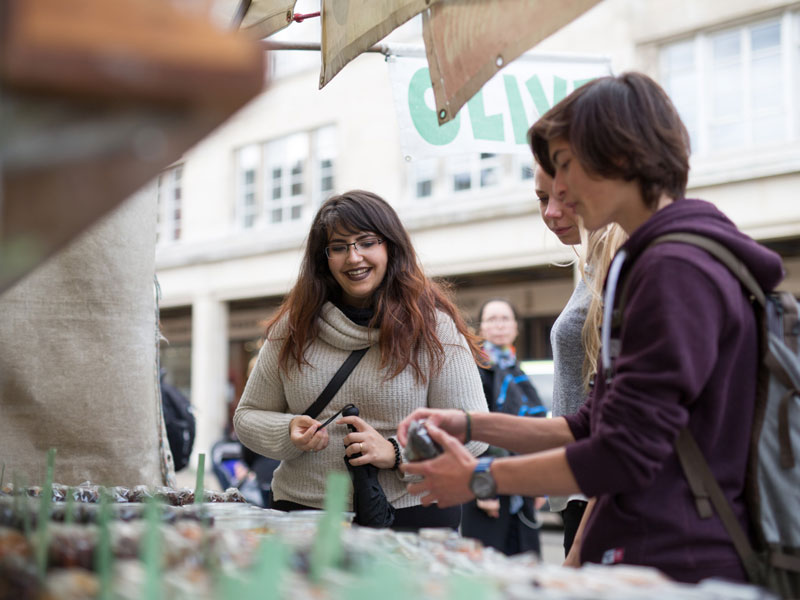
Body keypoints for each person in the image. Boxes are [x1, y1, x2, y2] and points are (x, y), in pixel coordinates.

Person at [397, 72, 784, 584]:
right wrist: (471, 425)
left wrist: (479, 478)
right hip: (654, 555)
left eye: (564, 165)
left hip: (676, 564)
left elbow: (623, 454)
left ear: (620, 155)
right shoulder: (651, 257)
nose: (558, 190)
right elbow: (589, 425)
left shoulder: (675, 267)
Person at [233, 190, 488, 531]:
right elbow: (247, 417)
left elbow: (473, 427)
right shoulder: (292, 328)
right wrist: (287, 430)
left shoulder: (433, 326)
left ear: (390, 247)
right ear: (324, 258)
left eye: (366, 242)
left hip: (412, 515)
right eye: (339, 247)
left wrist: (396, 452)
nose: (353, 258)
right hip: (305, 515)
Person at [535, 164, 626, 559]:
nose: (550, 213)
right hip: (580, 487)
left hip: (600, 495)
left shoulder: (622, 258)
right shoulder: (596, 258)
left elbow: (620, 424)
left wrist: (579, 546)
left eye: (562, 197)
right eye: (541, 198)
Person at [460, 298, 544, 556]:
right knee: (487, 572)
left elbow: (535, 428)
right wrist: (483, 487)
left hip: (520, 483)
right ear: (481, 329)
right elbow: (473, 430)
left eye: (505, 318)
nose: (499, 325)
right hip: (486, 485)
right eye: (492, 319)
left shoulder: (516, 372)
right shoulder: (474, 369)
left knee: (523, 569)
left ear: (516, 327)